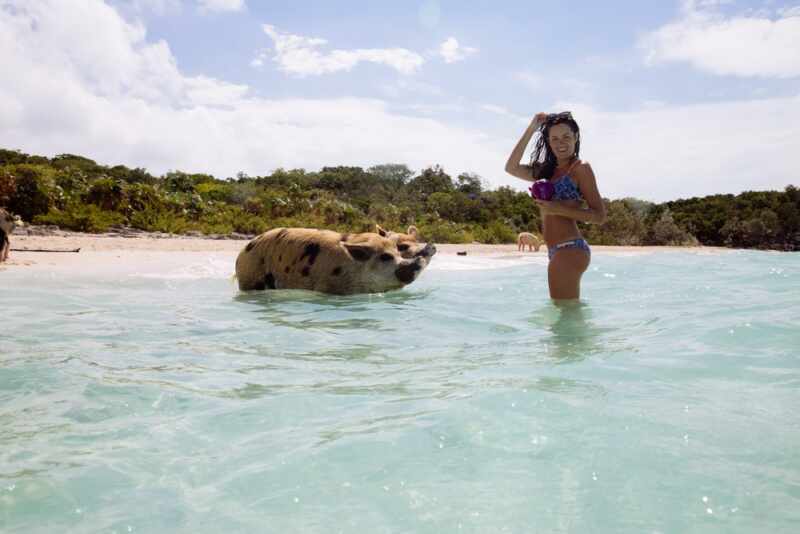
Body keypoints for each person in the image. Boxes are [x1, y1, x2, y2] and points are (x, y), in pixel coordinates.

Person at [505, 112, 606, 300]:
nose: (561, 143)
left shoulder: (580, 168)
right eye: (555, 138)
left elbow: (599, 216)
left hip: (570, 248)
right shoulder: (546, 170)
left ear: (576, 138)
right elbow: (511, 167)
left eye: (566, 137)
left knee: (564, 315)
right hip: (556, 250)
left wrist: (558, 209)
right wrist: (532, 128)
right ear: (549, 142)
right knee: (567, 314)